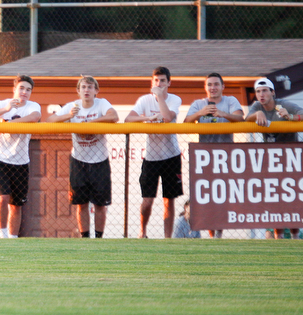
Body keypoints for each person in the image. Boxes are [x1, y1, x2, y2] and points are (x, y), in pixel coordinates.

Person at [46, 76, 118, 238]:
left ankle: (98, 237)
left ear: (96, 91)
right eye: (83, 87)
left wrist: (89, 126)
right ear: (78, 91)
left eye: (90, 87)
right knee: (81, 204)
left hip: (99, 160)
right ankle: (85, 238)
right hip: (79, 160)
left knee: (100, 204)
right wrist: (68, 116)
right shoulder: (73, 107)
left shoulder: (102, 103)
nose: (87, 90)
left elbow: (113, 117)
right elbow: (49, 120)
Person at [183, 72, 244, 238]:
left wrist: (224, 115)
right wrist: (200, 113)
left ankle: (219, 233)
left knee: (222, 196)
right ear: (205, 87)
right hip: (204, 158)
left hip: (225, 157)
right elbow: (185, 123)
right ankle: (211, 234)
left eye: (216, 84)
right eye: (209, 84)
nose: (213, 87)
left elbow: (240, 118)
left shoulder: (230, 101)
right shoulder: (198, 104)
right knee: (206, 196)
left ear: (223, 87)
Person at [0, 75, 42, 238]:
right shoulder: (3, 104)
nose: (24, 92)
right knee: (3, 198)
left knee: (17, 204)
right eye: (21, 88)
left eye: (28, 90)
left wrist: (9, 125)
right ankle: (3, 235)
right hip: (1, 159)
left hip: (21, 162)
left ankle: (13, 239)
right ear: (14, 89)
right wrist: (6, 110)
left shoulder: (32, 106)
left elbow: (35, 117)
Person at [124, 67, 183, 239]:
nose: (159, 84)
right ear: (152, 82)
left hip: (171, 155)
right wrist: (146, 118)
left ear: (169, 83)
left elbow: (166, 117)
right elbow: (128, 119)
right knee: (147, 200)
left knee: (169, 199)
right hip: (151, 157)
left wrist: (159, 96)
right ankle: (142, 233)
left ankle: (167, 237)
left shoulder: (174, 99)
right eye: (156, 80)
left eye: (163, 80)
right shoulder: (144, 100)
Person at [245, 77, 302, 240]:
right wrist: (257, 113)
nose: (261, 94)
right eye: (258, 91)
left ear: (272, 92)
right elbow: (246, 119)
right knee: (275, 200)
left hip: (291, 160)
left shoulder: (285, 104)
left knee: (292, 200)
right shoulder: (257, 106)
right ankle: (278, 237)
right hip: (271, 161)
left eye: (264, 91)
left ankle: (295, 236)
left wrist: (290, 117)